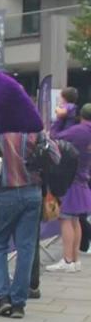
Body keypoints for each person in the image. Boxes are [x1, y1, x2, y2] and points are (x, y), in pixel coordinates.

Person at [0, 131, 42, 318]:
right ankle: (19, 303)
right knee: (26, 248)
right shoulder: (35, 132)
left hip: (5, 193)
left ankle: (2, 297)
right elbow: (55, 156)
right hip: (32, 192)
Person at [48, 103, 91, 273]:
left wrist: (60, 119)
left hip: (69, 179)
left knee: (65, 219)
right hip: (82, 177)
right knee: (75, 221)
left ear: (81, 115)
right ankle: (75, 259)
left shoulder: (78, 131)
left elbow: (54, 137)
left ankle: (67, 260)